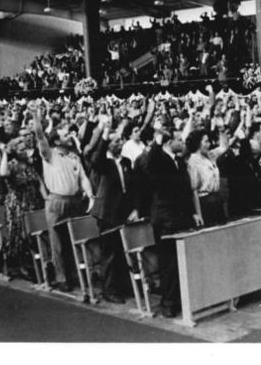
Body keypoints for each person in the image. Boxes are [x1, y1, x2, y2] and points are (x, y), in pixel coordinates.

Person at [30, 100, 94, 292]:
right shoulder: (49, 154)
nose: (70, 134)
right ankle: (61, 278)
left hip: (75, 201)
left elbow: (83, 178)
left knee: (73, 239)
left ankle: (75, 275)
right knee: (57, 242)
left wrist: (90, 195)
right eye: (66, 133)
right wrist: (36, 115)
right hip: (56, 202)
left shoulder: (74, 156)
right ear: (57, 140)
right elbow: (40, 135)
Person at [146, 127, 198, 318]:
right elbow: (150, 163)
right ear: (169, 142)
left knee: (180, 262)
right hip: (164, 218)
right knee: (168, 263)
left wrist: (193, 213)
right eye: (179, 140)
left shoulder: (178, 162)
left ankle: (179, 299)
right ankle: (167, 302)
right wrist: (157, 142)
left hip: (180, 217)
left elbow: (185, 190)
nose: (183, 143)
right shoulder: (159, 159)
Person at [89, 117, 138, 303]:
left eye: (120, 140)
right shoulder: (104, 163)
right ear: (109, 145)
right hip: (107, 213)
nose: (120, 143)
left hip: (122, 212)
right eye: (116, 141)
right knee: (109, 254)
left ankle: (123, 287)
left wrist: (133, 208)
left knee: (121, 251)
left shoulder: (125, 161)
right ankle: (109, 290)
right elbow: (96, 157)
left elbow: (131, 187)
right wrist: (104, 133)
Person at [0, 137, 46, 279]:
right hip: (17, 204)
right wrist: (5, 154)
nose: (25, 151)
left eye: (26, 148)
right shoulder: (12, 165)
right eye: (21, 149)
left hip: (32, 202)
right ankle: (19, 265)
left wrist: (46, 199)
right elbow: (3, 173)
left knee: (33, 235)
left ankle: (34, 265)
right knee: (18, 236)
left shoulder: (29, 165)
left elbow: (39, 182)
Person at [186, 129, 229, 227]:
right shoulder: (192, 162)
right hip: (205, 203)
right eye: (205, 141)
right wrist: (199, 215)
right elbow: (194, 192)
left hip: (217, 199)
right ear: (197, 143)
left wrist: (222, 129)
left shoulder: (210, 155)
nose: (209, 144)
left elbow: (224, 146)